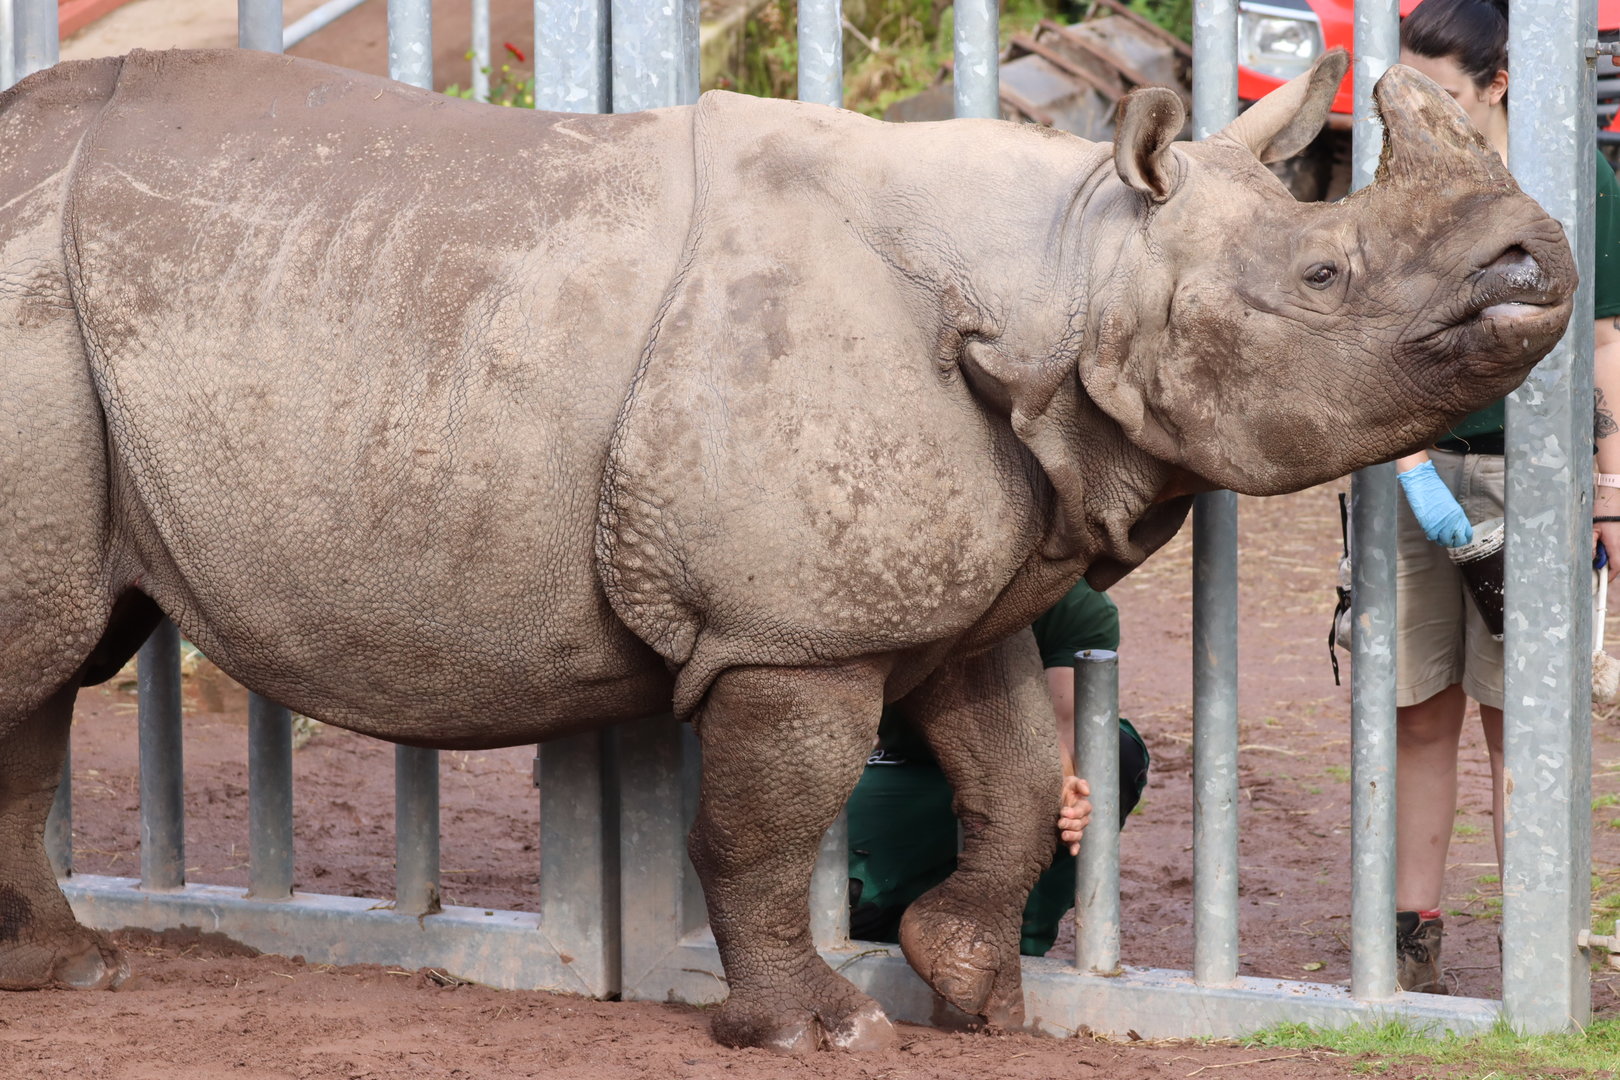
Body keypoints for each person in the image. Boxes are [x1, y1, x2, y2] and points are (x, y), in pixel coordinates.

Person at [1390, 0, 1620, 993]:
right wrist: (1393, 458)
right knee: (1415, 709)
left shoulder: (1576, 176)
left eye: (1437, 92)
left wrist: (1610, 496)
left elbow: (1608, 343)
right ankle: (1411, 944)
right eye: (1403, 89)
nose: (1417, 112)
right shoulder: (1399, 185)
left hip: (1534, 474)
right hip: (1412, 469)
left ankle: (1539, 947)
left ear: (1497, 85)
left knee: (1516, 714)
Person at [846, 580, 1149, 957]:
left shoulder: (1076, 602)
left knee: (1110, 754)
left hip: (1024, 760)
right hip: (916, 766)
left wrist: (1066, 785)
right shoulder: (910, 583)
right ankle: (904, 933)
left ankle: (1016, 943)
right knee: (837, 893)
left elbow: (1066, 722)